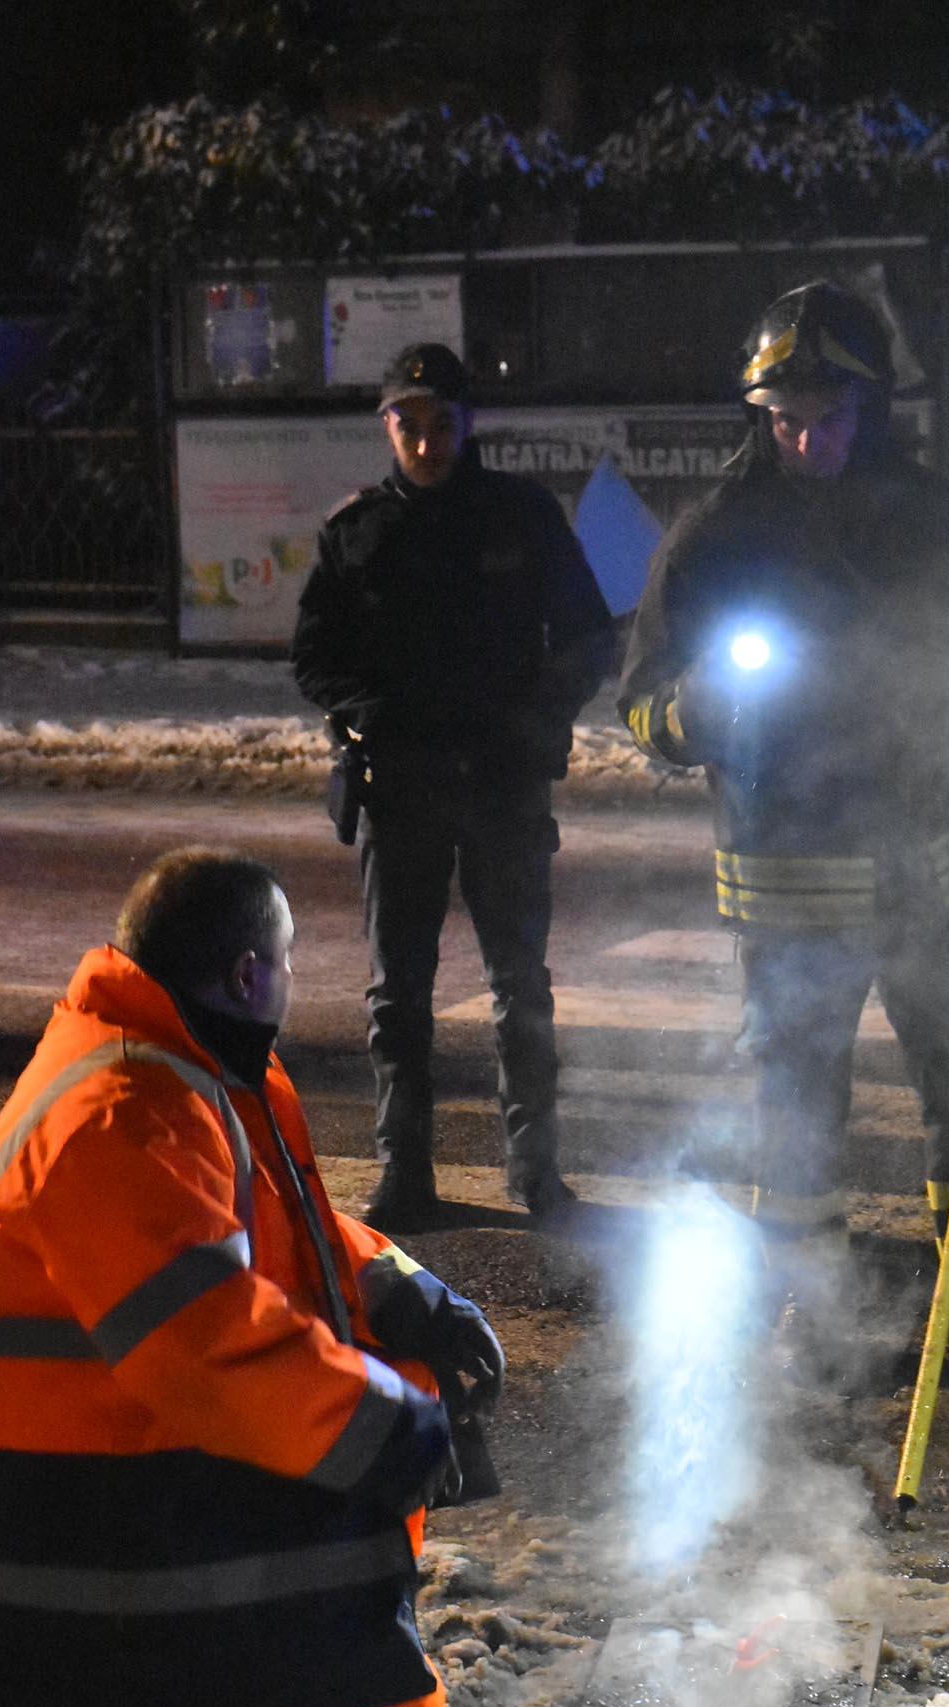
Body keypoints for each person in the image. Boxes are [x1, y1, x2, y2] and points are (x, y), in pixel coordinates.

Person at [0, 846, 506, 1707]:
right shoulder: (124, 1108)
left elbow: (274, 1233)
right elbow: (209, 1355)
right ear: (249, 973)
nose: (290, 981)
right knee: (347, 1447)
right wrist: (393, 1428)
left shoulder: (171, 1069)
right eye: (286, 960)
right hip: (85, 1574)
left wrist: (398, 1286)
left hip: (115, 1501)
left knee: (354, 1426)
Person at [617, 281, 949, 1370]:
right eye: (787, 418)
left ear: (870, 409)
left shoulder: (926, 514)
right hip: (788, 877)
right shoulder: (713, 537)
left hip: (928, 856)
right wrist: (693, 714)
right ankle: (807, 1300)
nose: (808, 437)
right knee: (797, 1108)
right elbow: (639, 700)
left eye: (829, 417)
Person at [292, 340, 615, 1231]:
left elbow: (590, 636)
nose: (427, 443)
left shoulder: (520, 516)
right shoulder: (357, 530)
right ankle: (406, 1176)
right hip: (402, 791)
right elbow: (312, 656)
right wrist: (367, 712)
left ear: (468, 424)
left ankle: (537, 1176)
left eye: (442, 425)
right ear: (387, 426)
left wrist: (539, 717)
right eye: (409, 425)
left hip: (504, 783)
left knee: (521, 984)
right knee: (400, 992)